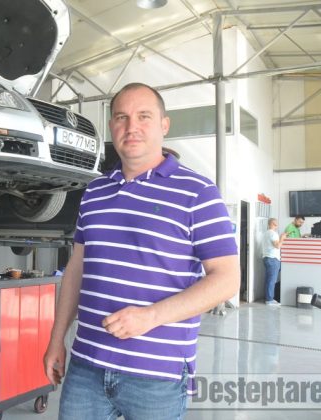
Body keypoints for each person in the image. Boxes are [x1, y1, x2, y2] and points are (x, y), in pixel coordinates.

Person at [43, 82, 240, 419]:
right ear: (111, 126)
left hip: (156, 377)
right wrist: (56, 337)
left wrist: (150, 317)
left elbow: (227, 280)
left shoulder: (199, 192)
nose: (131, 126)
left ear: (164, 125)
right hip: (86, 366)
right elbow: (77, 268)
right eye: (122, 117)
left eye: (143, 116)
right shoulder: (94, 192)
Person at [262, 218, 287, 306]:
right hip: (273, 259)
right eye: (276, 223)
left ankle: (268, 297)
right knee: (271, 280)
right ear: (273, 224)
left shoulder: (266, 233)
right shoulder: (273, 233)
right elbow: (277, 246)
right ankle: (269, 300)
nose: (277, 225)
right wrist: (282, 238)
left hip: (267, 258)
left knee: (269, 279)